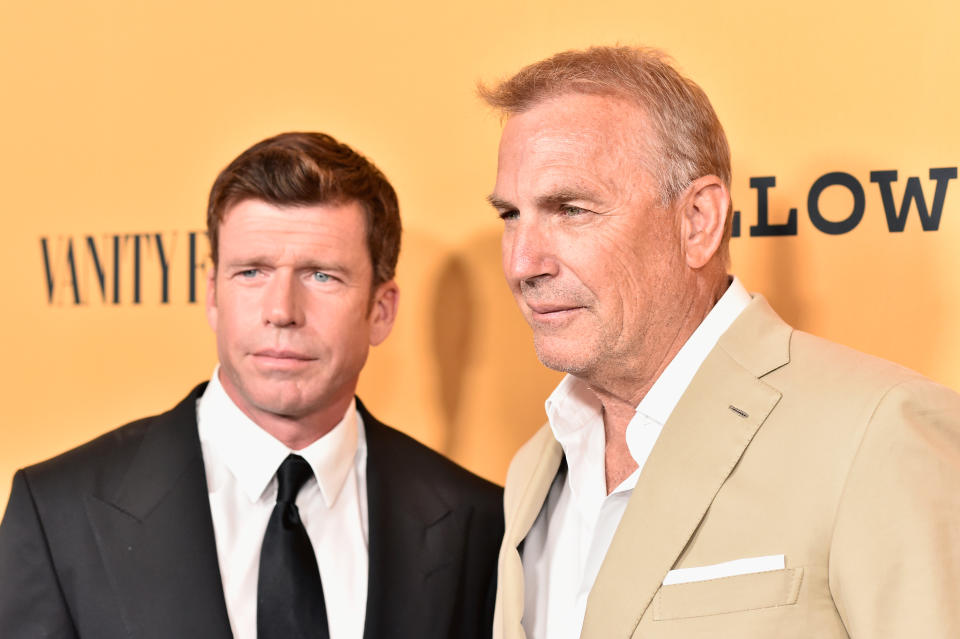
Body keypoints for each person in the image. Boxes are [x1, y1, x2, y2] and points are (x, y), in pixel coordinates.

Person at [480, 46, 960, 639]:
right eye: (509, 215)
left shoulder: (879, 432)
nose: (523, 261)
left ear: (699, 221)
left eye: (571, 209)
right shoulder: (534, 469)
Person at [0, 131, 503, 639]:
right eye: (251, 272)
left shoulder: (479, 525)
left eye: (322, 276)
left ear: (380, 310)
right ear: (212, 295)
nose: (282, 311)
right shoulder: (59, 513)